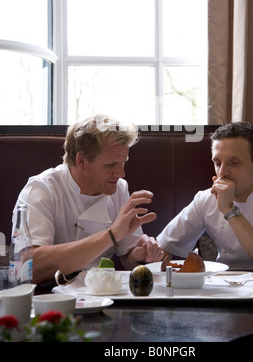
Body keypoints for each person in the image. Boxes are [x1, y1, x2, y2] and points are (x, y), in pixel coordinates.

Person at [13, 114, 163, 285]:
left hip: (103, 294)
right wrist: (111, 236)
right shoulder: (42, 190)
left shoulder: (119, 188)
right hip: (51, 298)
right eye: (110, 165)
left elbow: (128, 256)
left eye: (123, 163)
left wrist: (139, 254)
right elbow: (29, 267)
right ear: (82, 160)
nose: (121, 173)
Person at [157, 122, 253, 275]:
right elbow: (164, 247)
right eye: (217, 163)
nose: (222, 172)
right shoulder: (206, 199)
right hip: (225, 286)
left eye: (234, 163)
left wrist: (229, 210)